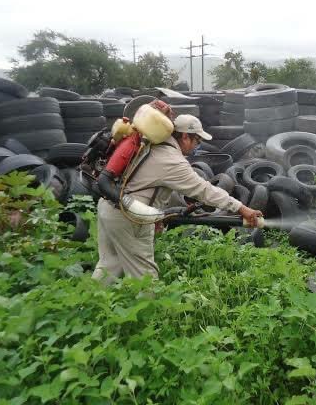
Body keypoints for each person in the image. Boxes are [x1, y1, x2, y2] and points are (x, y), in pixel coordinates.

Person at [92, 112, 263, 284]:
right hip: (128, 216)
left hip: (109, 206)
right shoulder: (172, 160)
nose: (197, 146)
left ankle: (88, 304)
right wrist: (241, 208)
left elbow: (151, 186)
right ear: (185, 136)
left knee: (109, 265)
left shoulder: (153, 145)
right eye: (197, 141)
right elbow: (204, 190)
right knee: (145, 277)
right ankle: (150, 310)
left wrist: (155, 216)